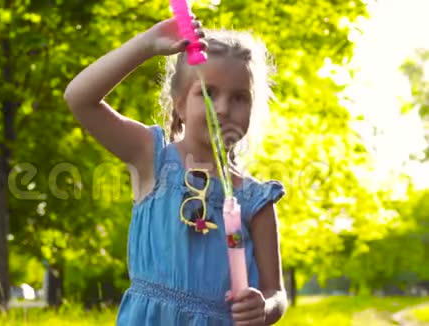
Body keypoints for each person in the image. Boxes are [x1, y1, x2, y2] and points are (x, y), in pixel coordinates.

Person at [64, 16, 288, 326]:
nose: (222, 108)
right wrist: (146, 45)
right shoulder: (151, 159)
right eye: (207, 93)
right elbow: (79, 98)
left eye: (239, 97)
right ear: (179, 104)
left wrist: (264, 308)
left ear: (253, 109)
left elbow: (275, 291)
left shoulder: (255, 200)